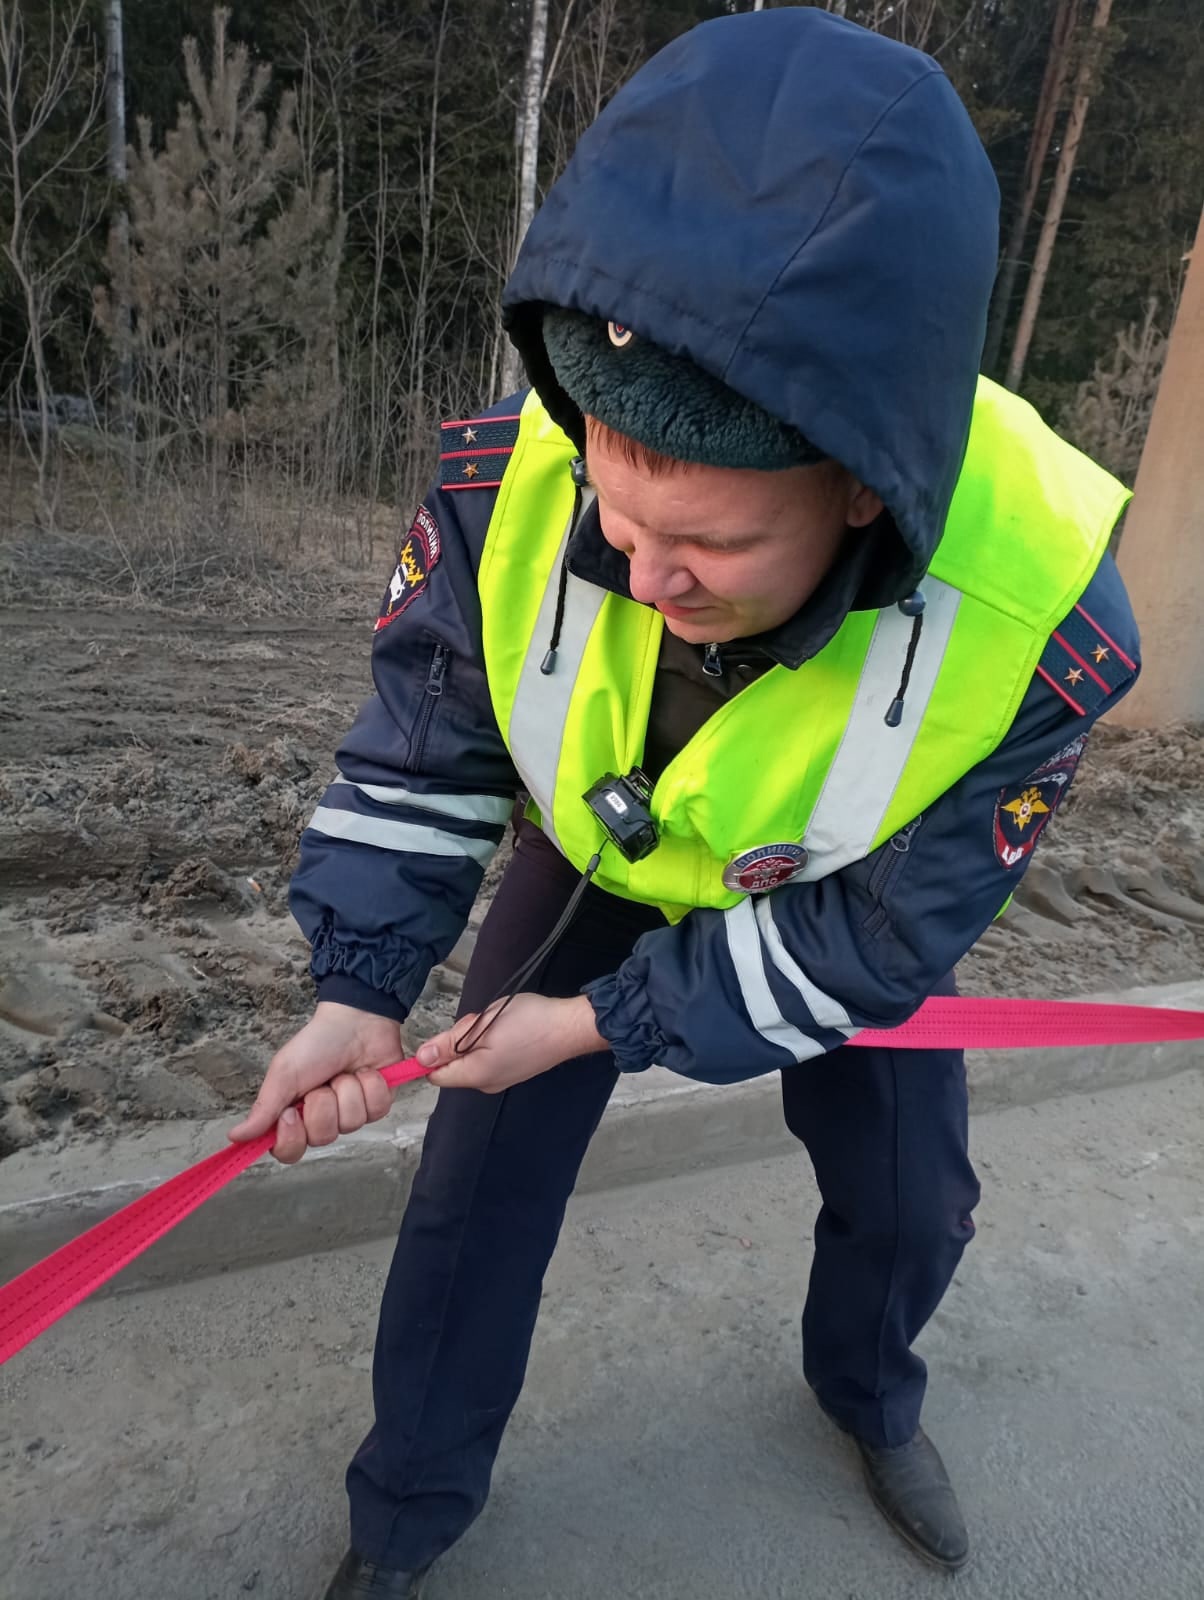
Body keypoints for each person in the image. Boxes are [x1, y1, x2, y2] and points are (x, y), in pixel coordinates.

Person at [230, 10, 1140, 1594]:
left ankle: (867, 1396)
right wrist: (354, 992)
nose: (642, 579)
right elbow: (428, 737)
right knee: (468, 1208)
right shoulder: (520, 474)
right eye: (618, 509)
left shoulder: (1040, 622)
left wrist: (597, 1028)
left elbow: (875, 942)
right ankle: (404, 1521)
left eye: (707, 551)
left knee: (914, 1198)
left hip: (828, 901)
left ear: (865, 487)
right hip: (595, 859)